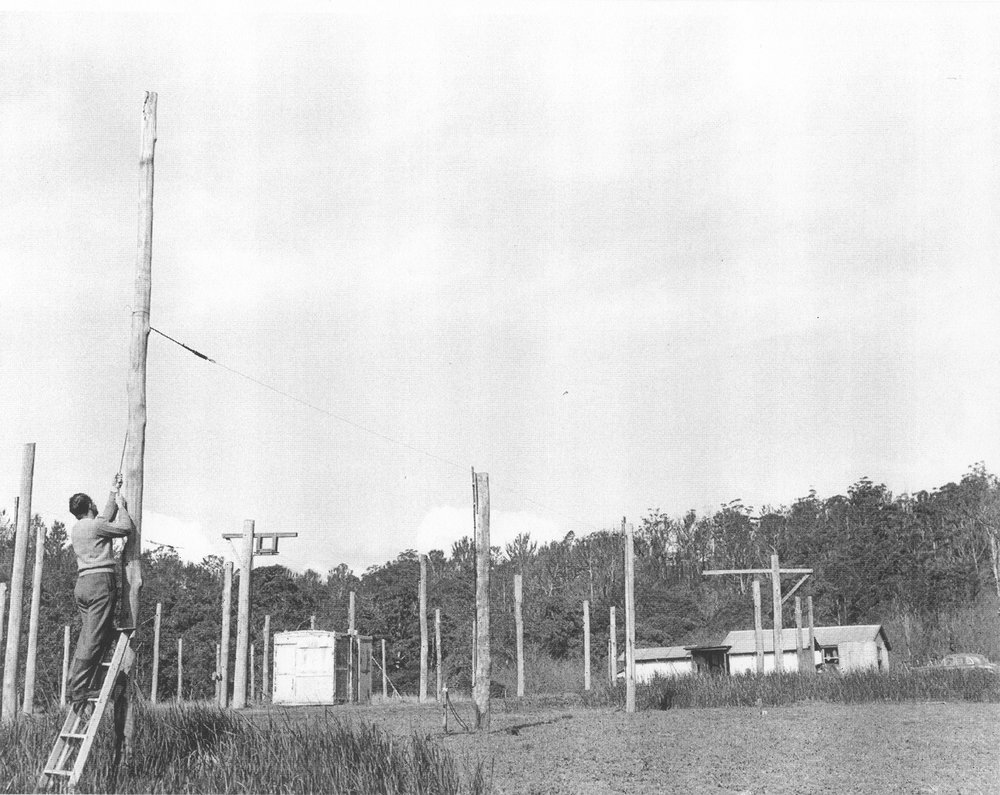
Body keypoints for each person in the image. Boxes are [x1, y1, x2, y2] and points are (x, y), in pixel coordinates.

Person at [67, 474, 135, 715]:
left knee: (93, 635)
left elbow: (103, 518)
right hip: (99, 584)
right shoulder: (96, 525)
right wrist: (123, 507)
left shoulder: (80, 527)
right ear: (89, 507)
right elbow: (124, 527)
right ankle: (77, 692)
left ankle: (83, 686)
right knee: (93, 640)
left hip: (83, 585)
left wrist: (113, 490)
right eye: (93, 503)